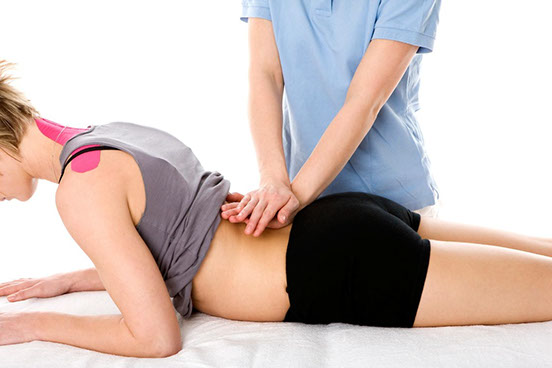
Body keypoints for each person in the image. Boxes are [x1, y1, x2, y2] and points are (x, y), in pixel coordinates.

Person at [3, 61, 552, 359]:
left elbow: (155, 337)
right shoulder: (103, 137)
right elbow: (173, 239)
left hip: (330, 268)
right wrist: (74, 280)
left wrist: (32, 326)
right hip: (339, 220)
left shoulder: (80, 191)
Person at [224, 0, 443, 237]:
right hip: (305, 202)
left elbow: (364, 102)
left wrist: (291, 200)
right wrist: (273, 181)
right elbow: (265, 75)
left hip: (392, 200)